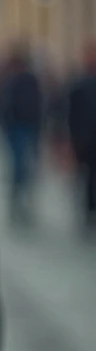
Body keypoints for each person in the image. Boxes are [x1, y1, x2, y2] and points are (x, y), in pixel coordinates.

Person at [0, 43, 44, 225]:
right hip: (18, 128)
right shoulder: (13, 79)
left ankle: (19, 200)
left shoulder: (19, 80)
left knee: (21, 166)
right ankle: (18, 201)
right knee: (20, 165)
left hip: (21, 127)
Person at [67, 40, 96, 230]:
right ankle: (88, 210)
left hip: (86, 137)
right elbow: (71, 113)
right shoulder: (80, 83)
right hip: (84, 139)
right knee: (86, 177)